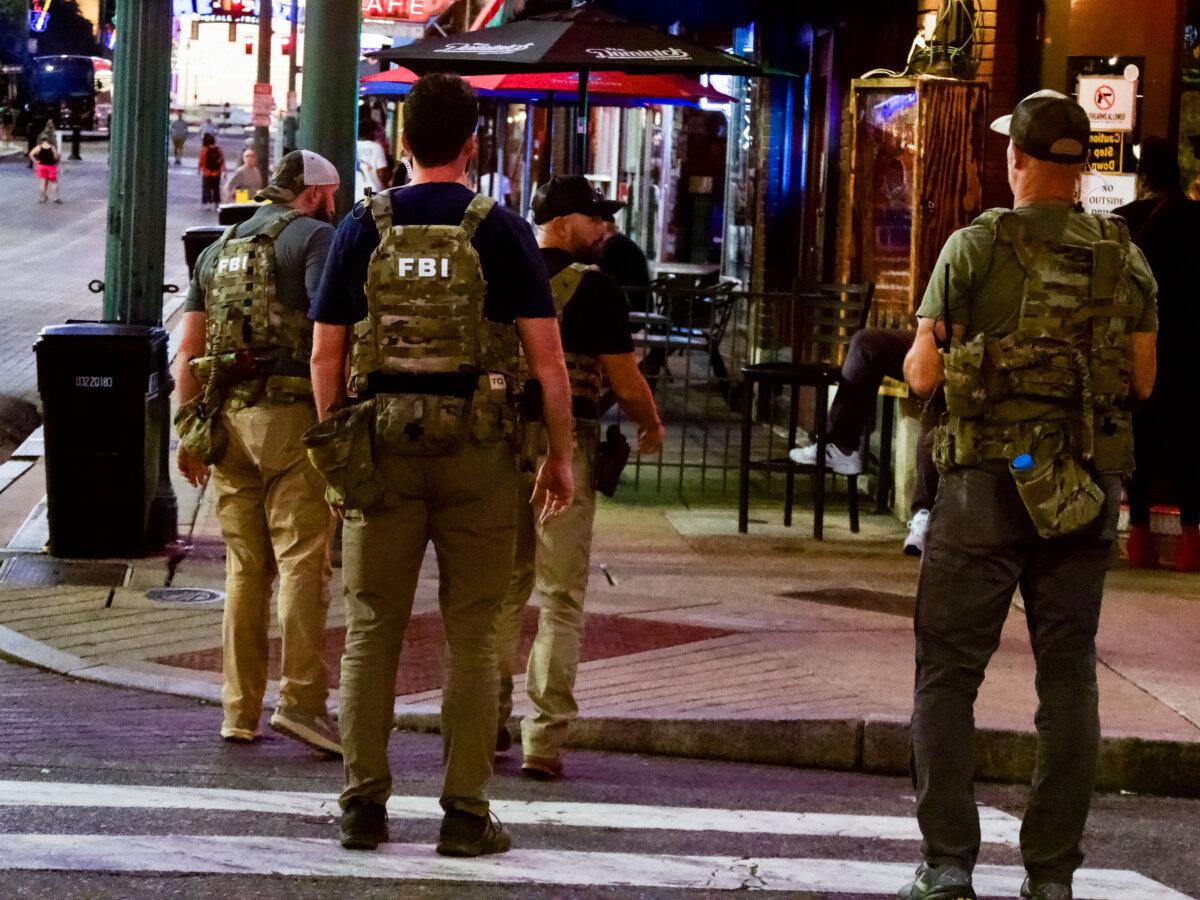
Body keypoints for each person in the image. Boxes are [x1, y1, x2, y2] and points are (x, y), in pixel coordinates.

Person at [898, 90, 1157, 900]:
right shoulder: (1125, 256)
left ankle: (948, 865)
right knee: (1068, 681)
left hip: (983, 486)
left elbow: (925, 373)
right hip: (1083, 490)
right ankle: (1050, 876)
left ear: (1017, 160)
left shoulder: (973, 248)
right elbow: (1143, 380)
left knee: (948, 676)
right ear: (1080, 167)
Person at [308, 73, 574, 858]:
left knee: (370, 628)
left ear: (402, 143)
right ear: (471, 144)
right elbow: (549, 362)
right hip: (480, 452)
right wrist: (559, 455)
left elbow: (325, 354)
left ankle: (362, 804)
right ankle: (463, 812)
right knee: (474, 631)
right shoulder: (502, 229)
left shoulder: (364, 224)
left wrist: (336, 451)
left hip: (382, 448)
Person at [494, 176, 666, 781]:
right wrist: (650, 424)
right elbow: (624, 378)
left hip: (498, 446)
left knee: (504, 588)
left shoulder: (500, 271)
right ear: (564, 221)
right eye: (598, 219)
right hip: (566, 451)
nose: (607, 231)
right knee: (560, 597)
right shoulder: (596, 289)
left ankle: (488, 719)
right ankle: (542, 739)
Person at [173, 149, 343, 757]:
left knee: (245, 571)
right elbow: (331, 338)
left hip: (227, 422)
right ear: (318, 193)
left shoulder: (218, 249)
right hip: (292, 418)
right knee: (302, 563)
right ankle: (300, 703)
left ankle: (238, 711)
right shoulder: (318, 238)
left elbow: (188, 349)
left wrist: (189, 431)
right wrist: (336, 429)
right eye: (334, 192)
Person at [1114, 137, 1200, 571]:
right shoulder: (1196, 219)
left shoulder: (1124, 223)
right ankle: (1190, 542)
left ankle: (1140, 539)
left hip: (1142, 345)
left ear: (1143, 175)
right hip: (1190, 351)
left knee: (1141, 443)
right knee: (1189, 444)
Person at [788, 328, 938, 555]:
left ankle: (924, 514)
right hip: (936, 341)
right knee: (866, 343)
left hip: (973, 348)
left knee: (940, 401)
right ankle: (841, 445)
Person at [598, 213, 651, 307]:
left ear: (604, 227)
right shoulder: (622, 242)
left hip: (630, 304)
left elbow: (602, 271)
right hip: (639, 302)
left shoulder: (613, 245)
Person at [355, 119, 389, 198]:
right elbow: (382, 174)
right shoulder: (376, 147)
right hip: (374, 195)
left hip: (356, 195)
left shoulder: (353, 147)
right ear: (374, 132)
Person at [29, 135, 62, 204]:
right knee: (54, 182)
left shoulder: (38, 147)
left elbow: (31, 154)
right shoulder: (52, 147)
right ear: (49, 140)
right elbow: (56, 157)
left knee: (42, 183)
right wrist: (58, 159)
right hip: (51, 166)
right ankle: (55, 198)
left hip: (41, 166)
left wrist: (35, 161)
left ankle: (42, 198)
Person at [198, 133, 225, 210]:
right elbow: (222, 161)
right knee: (216, 188)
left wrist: (199, 169)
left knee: (207, 188)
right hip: (217, 172)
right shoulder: (219, 149)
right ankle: (216, 203)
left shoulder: (204, 150)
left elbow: (201, 161)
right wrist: (223, 170)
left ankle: (208, 204)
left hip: (207, 173)